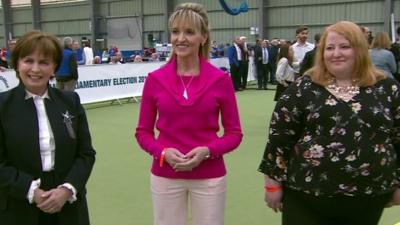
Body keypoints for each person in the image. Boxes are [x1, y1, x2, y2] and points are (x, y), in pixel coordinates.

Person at [258, 21, 400, 225]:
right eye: (329, 48)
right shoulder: (302, 88)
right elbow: (278, 140)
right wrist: (272, 186)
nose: (336, 53)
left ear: (360, 49)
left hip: (368, 196)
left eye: (345, 46)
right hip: (306, 196)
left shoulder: (387, 87)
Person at [135, 3, 243, 225]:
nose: (180, 38)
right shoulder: (154, 80)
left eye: (189, 32)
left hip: (210, 176)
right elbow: (143, 133)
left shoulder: (220, 80)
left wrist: (208, 151)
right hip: (165, 175)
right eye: (175, 31)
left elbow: (234, 133)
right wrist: (163, 152)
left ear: (203, 37)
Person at [0, 30, 96, 225]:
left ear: (54, 68)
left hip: (67, 204)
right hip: (18, 204)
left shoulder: (71, 101)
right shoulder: (3, 106)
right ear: (17, 64)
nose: (36, 69)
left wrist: (67, 189)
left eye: (44, 62)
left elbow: (86, 154)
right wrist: (30, 190)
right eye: (28, 60)